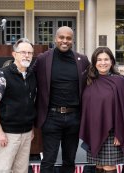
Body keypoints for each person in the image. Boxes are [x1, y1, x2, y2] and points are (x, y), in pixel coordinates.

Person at [33, 26, 90, 173]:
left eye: (68, 38)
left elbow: (93, 81)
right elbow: (28, 79)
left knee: (69, 160)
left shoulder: (82, 60)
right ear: (55, 39)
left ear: (73, 40)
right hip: (51, 117)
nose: (65, 41)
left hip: (74, 118)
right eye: (61, 37)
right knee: (48, 160)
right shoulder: (42, 59)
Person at [79, 47, 124, 173]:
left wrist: (120, 133)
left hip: (112, 133)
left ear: (112, 62)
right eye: (99, 60)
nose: (103, 63)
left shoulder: (119, 81)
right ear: (94, 62)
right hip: (94, 130)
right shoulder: (88, 80)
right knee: (98, 166)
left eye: (106, 59)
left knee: (109, 167)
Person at [0, 38, 36, 173]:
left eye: (30, 53)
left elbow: (30, 103)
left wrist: (31, 127)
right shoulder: (3, 74)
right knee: (3, 170)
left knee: (21, 171)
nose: (27, 55)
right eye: (23, 52)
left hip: (26, 134)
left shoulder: (31, 75)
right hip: (7, 134)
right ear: (14, 54)